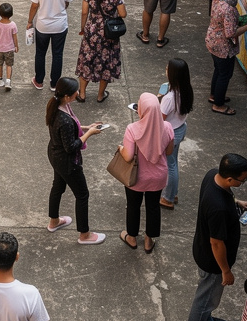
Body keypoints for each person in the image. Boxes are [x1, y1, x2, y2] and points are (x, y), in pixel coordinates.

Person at [186, 153, 247, 321]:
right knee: (206, 299)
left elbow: (225, 195)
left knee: (207, 298)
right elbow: (216, 243)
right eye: (242, 180)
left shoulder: (212, 175)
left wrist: (237, 201)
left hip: (202, 250)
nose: (244, 182)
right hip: (212, 262)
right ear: (230, 179)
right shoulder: (218, 209)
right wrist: (226, 270)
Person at [45, 77, 106, 245]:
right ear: (66, 95)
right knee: (82, 194)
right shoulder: (64, 120)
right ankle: (84, 235)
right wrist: (89, 134)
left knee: (58, 186)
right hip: (67, 163)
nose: (78, 93)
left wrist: (85, 127)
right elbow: (71, 146)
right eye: (75, 92)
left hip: (55, 156)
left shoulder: (57, 105)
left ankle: (54, 221)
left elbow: (69, 130)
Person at [117, 91, 174, 254]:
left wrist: (121, 148)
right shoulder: (168, 127)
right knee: (153, 207)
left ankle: (132, 237)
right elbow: (169, 152)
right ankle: (149, 240)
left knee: (133, 206)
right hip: (158, 177)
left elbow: (128, 157)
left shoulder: (132, 129)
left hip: (136, 178)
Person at [75, 0, 126, 103]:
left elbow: (84, 12)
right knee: (106, 62)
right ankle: (100, 95)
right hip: (109, 33)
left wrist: (82, 27)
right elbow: (123, 13)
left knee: (86, 60)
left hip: (92, 31)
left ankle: (83, 93)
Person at [205, 0, 247, 115]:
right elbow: (231, 33)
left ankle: (215, 95)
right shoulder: (229, 9)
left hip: (213, 40)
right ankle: (218, 104)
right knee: (225, 74)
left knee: (218, 69)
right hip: (222, 45)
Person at [28, 0, 74, 90]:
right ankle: (54, 83)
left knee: (40, 53)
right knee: (57, 54)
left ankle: (39, 80)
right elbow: (67, 2)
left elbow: (34, 5)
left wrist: (30, 21)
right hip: (60, 25)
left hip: (42, 25)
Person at [159, 58, 193, 209]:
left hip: (169, 133)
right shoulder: (186, 90)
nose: (166, 69)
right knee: (173, 162)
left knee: (169, 165)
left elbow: (160, 120)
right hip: (180, 128)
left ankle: (168, 197)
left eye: (168, 68)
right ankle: (173, 192)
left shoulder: (169, 98)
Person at [0, 2, 19, 89]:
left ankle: (0, 80)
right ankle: (8, 81)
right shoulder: (13, 25)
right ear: (11, 14)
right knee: (9, 65)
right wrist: (16, 46)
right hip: (9, 49)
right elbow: (15, 37)